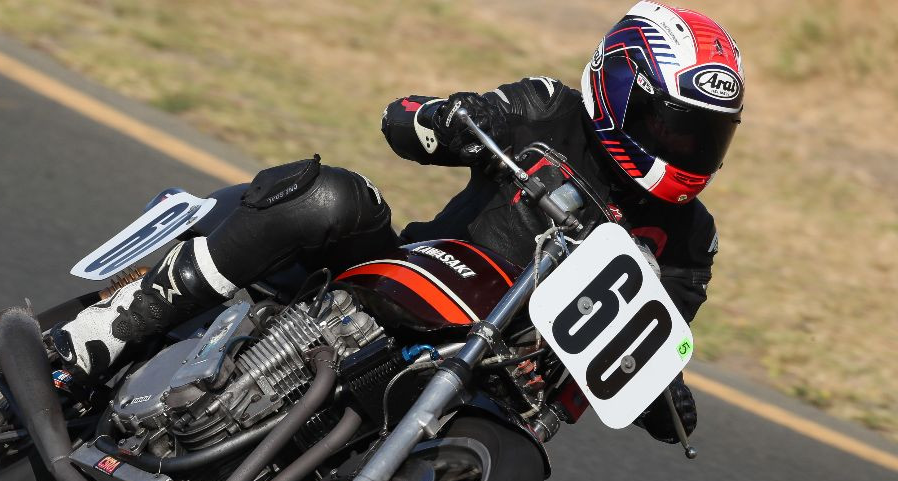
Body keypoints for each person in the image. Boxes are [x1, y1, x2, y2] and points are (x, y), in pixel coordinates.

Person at [49, 1, 743, 444]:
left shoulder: (690, 237)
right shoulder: (548, 108)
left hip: (500, 385)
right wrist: (442, 119)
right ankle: (104, 336)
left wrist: (665, 388)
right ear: (619, 90)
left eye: (705, 138)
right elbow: (410, 121)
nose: (686, 150)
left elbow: (661, 329)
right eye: (673, 127)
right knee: (329, 198)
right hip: (412, 282)